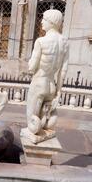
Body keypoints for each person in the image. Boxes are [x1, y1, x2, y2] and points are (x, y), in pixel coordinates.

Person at [24, 9, 69, 140]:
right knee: (45, 120)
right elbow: (63, 71)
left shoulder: (41, 41)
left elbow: (32, 67)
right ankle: (44, 128)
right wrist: (59, 92)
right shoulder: (65, 43)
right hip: (52, 86)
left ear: (51, 22)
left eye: (44, 19)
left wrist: (30, 63)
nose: (42, 22)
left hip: (39, 84)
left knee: (32, 124)